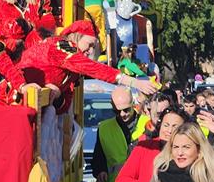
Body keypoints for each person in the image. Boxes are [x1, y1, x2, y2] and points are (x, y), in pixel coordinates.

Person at [21, 20, 158, 116]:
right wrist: (134, 82)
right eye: (89, 44)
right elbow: (94, 68)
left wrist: (57, 96)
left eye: (94, 47)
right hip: (19, 99)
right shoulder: (61, 46)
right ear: (77, 37)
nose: (91, 50)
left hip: (35, 106)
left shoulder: (72, 69)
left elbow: (66, 102)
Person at [116, 107, 190, 182]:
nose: (169, 130)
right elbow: (121, 181)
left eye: (175, 127)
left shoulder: (188, 152)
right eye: (166, 125)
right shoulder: (144, 147)